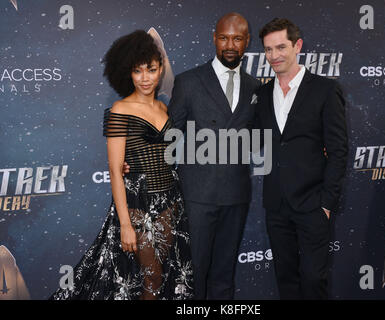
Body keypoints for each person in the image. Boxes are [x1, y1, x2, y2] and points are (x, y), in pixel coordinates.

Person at [123, 13, 259, 299]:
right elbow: (168, 134)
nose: (230, 45)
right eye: (223, 38)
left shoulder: (256, 86)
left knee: (224, 275)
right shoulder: (190, 81)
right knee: (193, 275)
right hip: (196, 197)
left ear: (247, 41)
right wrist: (134, 161)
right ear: (214, 39)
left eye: (237, 38)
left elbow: (264, 135)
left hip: (236, 195)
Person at [50, 30, 193, 300]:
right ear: (128, 73)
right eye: (138, 71)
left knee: (170, 275)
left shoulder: (165, 109)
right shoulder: (120, 110)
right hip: (138, 206)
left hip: (172, 203)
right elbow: (115, 171)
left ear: (160, 68)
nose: (145, 77)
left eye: (151, 69)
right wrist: (126, 224)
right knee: (151, 277)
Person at [253, 18, 348, 299]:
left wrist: (327, 205)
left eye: (281, 47)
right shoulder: (262, 93)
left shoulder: (325, 90)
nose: (274, 56)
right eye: (268, 50)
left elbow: (339, 151)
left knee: (313, 279)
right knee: (286, 278)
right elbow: (249, 138)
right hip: (276, 205)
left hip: (312, 205)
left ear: (298, 46)